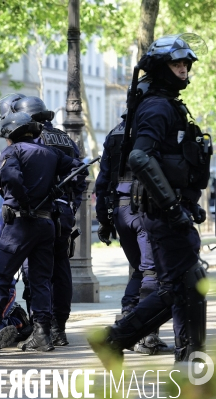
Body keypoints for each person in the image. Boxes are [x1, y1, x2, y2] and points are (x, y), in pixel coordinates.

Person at [88, 33, 210, 367]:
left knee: (185, 284)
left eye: (186, 63)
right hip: (161, 213)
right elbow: (141, 158)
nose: (183, 69)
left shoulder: (165, 104)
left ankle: (186, 359)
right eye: (176, 63)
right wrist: (172, 207)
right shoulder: (157, 106)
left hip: (166, 209)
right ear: (160, 68)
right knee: (182, 285)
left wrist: (186, 202)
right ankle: (176, 357)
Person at [0, 110, 84, 352]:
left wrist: (16, 202)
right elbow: (79, 170)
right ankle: (42, 334)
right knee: (41, 280)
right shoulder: (51, 153)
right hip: (47, 225)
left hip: (21, 224)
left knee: (0, 275)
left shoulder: (13, 151)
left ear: (11, 132)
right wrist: (56, 191)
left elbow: (10, 176)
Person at [11, 95, 88, 347]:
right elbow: (80, 173)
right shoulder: (65, 138)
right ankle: (59, 328)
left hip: (41, 212)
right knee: (61, 268)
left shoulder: (31, 140)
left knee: (36, 269)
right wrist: (72, 204)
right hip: (63, 212)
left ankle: (41, 327)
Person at [95, 119, 172, 355]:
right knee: (151, 271)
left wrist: (104, 220)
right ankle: (144, 335)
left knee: (140, 269)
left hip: (120, 208)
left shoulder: (114, 132)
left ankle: (127, 318)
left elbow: (103, 180)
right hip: (144, 208)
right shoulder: (155, 127)